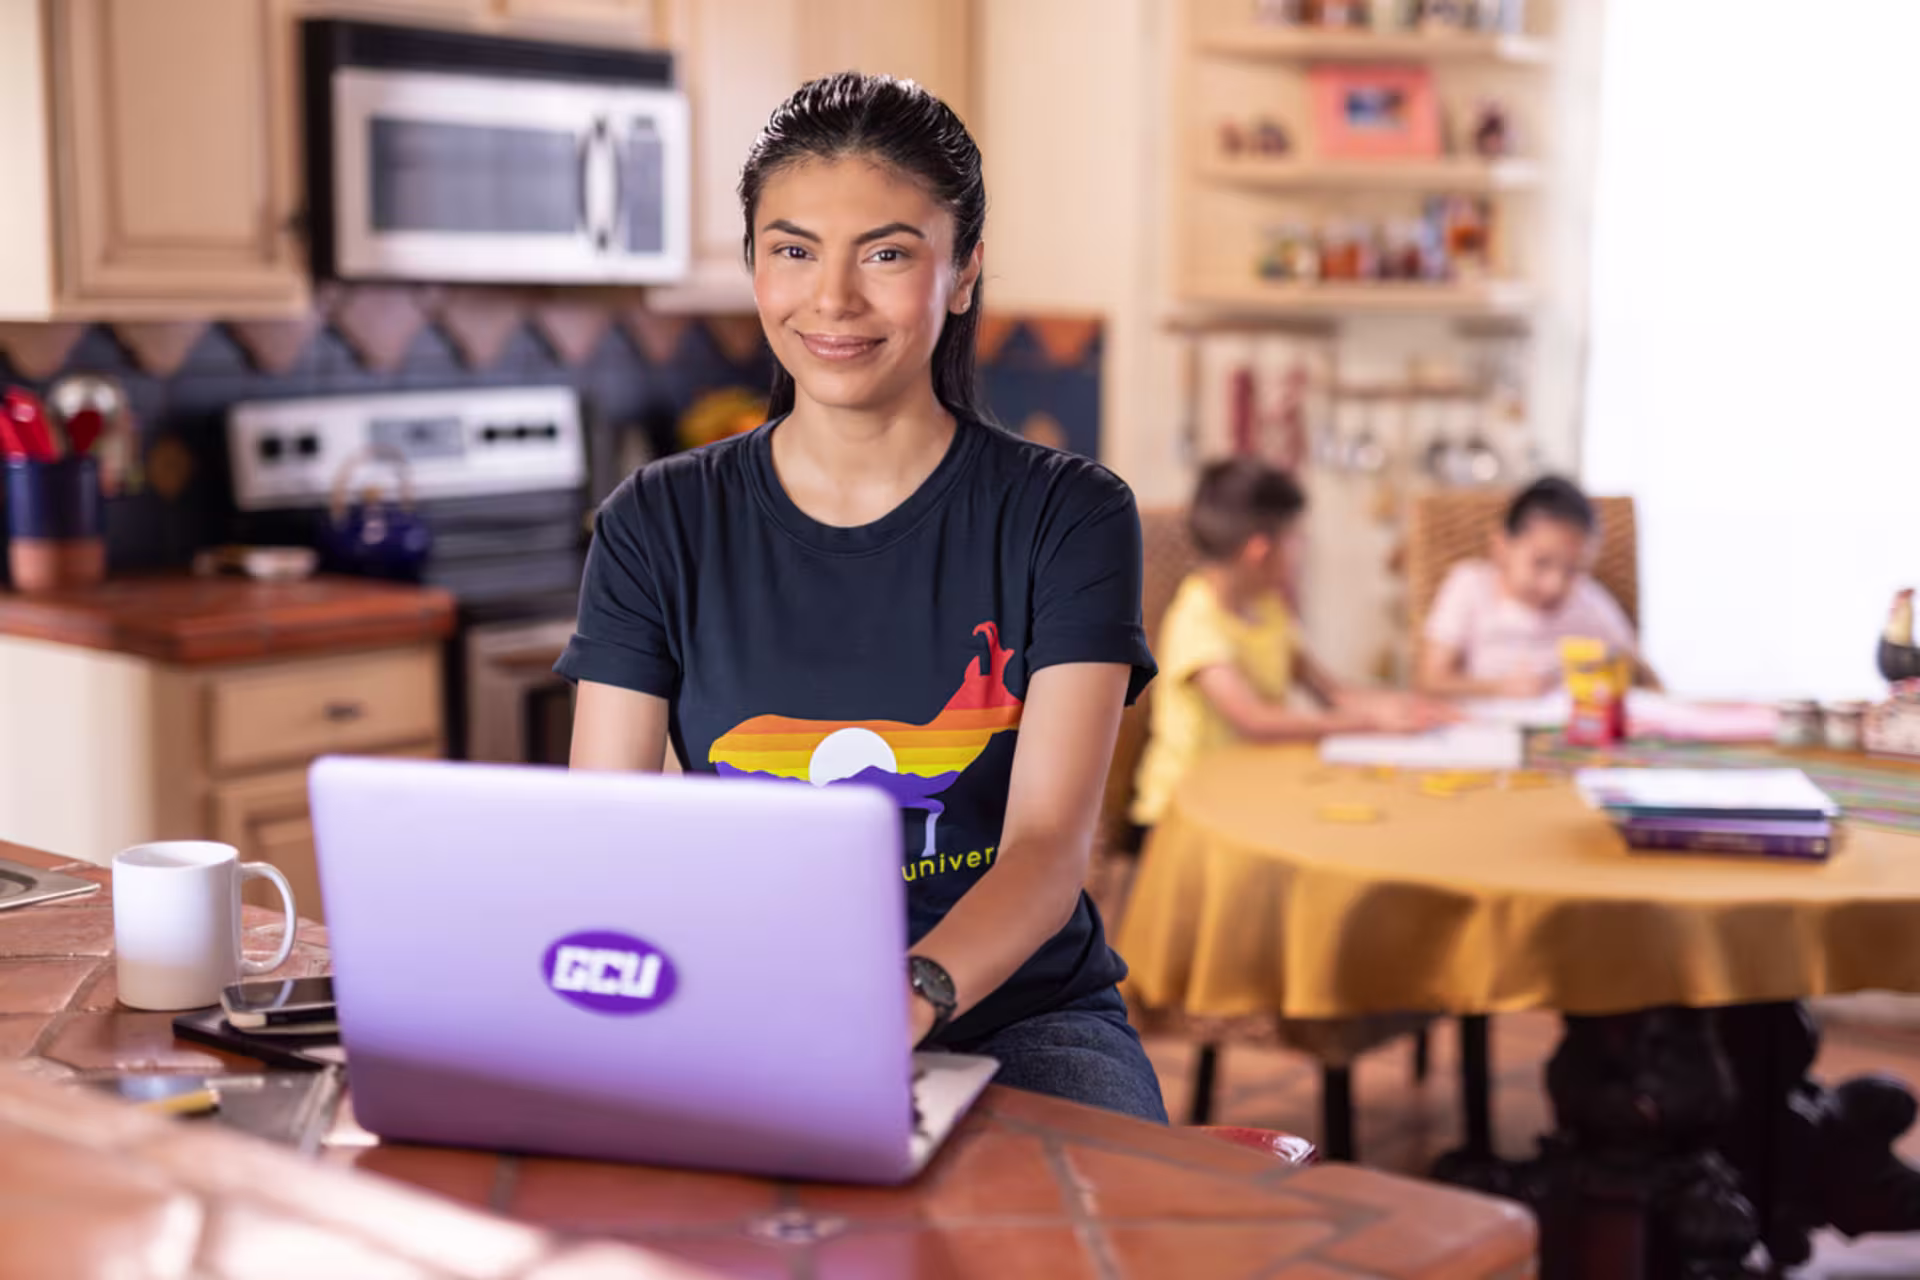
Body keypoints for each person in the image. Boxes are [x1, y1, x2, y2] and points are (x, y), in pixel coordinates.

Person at [556, 72, 1167, 1123]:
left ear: (964, 271)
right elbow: (610, 829)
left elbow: (1048, 848)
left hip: (1015, 1016)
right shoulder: (655, 520)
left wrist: (909, 993)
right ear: (754, 265)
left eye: (886, 253)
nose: (831, 300)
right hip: (739, 1004)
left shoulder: (1069, 513)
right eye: (792, 250)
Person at [1129, 458, 1456, 836]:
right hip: (1180, 815)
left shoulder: (1268, 608)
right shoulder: (1197, 619)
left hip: (1250, 793)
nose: (1301, 550)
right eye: (1295, 538)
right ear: (1261, 551)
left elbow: (1332, 691)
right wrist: (1367, 724)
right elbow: (1254, 720)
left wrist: (1403, 708)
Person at [1416, 475, 1657, 698]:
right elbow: (1431, 680)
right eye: (1541, 563)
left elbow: (1639, 669)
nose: (1555, 585)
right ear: (1501, 546)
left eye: (1574, 570)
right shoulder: (1470, 585)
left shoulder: (1588, 598)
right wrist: (1500, 688)